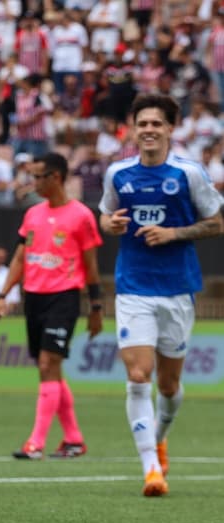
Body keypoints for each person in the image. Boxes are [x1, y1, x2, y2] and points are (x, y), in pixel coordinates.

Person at [99, 93, 224, 497]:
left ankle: (160, 437)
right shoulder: (118, 173)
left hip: (177, 288)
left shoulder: (189, 173)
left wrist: (173, 233)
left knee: (169, 386)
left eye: (156, 123)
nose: (149, 130)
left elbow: (216, 223)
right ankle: (151, 468)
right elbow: (105, 215)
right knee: (138, 375)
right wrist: (109, 224)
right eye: (143, 124)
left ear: (171, 128)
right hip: (133, 287)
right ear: (133, 129)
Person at [0, 152, 104, 461]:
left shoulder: (81, 215)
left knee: (46, 365)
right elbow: (20, 258)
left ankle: (36, 443)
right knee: (51, 368)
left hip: (64, 297)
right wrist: (2, 295)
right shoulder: (32, 214)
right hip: (34, 298)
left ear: (56, 177)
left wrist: (96, 307)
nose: (34, 183)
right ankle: (74, 439)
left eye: (38, 177)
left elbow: (91, 266)